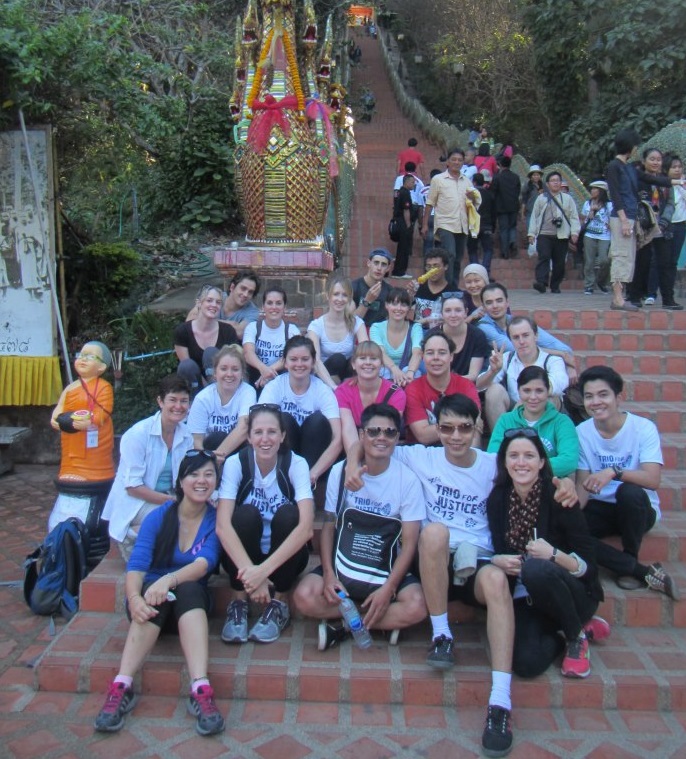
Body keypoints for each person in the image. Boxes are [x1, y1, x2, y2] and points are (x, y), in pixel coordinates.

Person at [94, 450, 224, 736]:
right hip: (152, 605)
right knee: (155, 595)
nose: (202, 481)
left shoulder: (216, 520)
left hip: (189, 608)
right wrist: (134, 598)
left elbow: (205, 563)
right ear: (180, 480)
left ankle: (200, 688)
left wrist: (168, 580)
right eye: (194, 474)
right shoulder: (158, 517)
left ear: (216, 480)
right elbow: (137, 566)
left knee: (188, 589)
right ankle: (121, 685)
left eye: (208, 474)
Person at [293, 403, 427, 649]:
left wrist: (389, 588)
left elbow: (409, 544)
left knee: (417, 605)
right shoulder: (340, 472)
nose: (381, 438)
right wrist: (329, 574)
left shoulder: (407, 480)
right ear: (362, 434)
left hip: (383, 566)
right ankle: (380, 622)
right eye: (374, 431)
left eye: (389, 433)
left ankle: (345, 626)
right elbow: (329, 524)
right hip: (343, 565)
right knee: (303, 597)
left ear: (398, 438)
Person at [487, 429, 606, 679]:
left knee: (536, 568)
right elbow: (499, 549)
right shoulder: (498, 499)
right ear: (504, 461)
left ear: (541, 462)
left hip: (573, 591)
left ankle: (576, 636)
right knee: (526, 664)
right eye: (514, 456)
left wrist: (554, 555)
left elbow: (590, 570)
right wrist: (497, 560)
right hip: (528, 599)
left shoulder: (560, 497)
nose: (521, 463)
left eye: (529, 456)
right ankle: (565, 628)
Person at [575, 366, 678, 599]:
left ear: (618, 397)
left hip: (637, 509)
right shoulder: (582, 432)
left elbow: (652, 479)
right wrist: (571, 515)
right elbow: (582, 483)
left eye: (603, 395)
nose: (596, 402)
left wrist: (613, 472)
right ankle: (636, 570)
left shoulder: (643, 428)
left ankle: (630, 557)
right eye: (589, 396)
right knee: (565, 529)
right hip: (600, 508)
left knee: (629, 492)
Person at [217, 404, 314, 643]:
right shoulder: (236, 463)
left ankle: (279, 604)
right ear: (249, 437)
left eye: (272, 432)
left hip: (283, 556)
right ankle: (238, 601)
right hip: (244, 555)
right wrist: (253, 576)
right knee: (245, 515)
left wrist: (262, 572)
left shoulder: (296, 464)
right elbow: (222, 526)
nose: (265, 439)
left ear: (282, 436)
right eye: (258, 432)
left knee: (290, 515)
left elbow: (306, 528)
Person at [103, 375, 194, 561]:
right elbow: (133, 487)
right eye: (173, 400)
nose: (179, 406)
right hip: (135, 500)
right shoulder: (137, 435)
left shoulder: (186, 436)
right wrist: (172, 501)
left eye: (184, 401)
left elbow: (186, 476)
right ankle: (132, 536)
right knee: (173, 516)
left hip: (167, 496)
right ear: (160, 401)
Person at [48, 341, 115, 558]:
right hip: (72, 451)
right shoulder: (71, 388)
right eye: (81, 354)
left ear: (102, 367)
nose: (83, 359)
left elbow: (101, 415)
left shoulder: (104, 388)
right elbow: (56, 415)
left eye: (90, 356)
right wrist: (64, 421)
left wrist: (82, 421)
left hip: (95, 453)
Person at [259, 335, 342, 485]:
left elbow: (337, 439)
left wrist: (312, 474)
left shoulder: (322, 391)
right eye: (293, 359)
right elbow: (260, 427)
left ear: (313, 362)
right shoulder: (274, 387)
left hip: (314, 454)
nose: (299, 364)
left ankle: (309, 487)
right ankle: (283, 479)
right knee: (281, 419)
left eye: (305, 359)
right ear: (285, 362)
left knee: (317, 421)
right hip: (285, 452)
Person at [488, 366, 579, 478]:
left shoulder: (562, 422)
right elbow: (493, 457)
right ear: (519, 392)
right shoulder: (506, 420)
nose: (533, 397)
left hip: (550, 486)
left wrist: (526, 468)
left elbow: (569, 461)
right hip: (512, 485)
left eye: (539, 391)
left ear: (548, 391)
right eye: (527, 390)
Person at [626, 147, 683, 310]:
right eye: (652, 159)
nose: (655, 162)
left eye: (658, 159)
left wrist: (664, 221)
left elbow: (671, 203)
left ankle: (668, 299)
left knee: (666, 263)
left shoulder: (666, 180)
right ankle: (635, 296)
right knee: (642, 262)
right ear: (644, 161)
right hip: (644, 228)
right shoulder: (638, 179)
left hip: (664, 228)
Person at [404, 329, 480, 445]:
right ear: (423, 357)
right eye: (430, 352)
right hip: (425, 454)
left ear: (451, 356)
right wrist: (460, 424)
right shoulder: (413, 389)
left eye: (442, 352)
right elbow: (423, 436)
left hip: (460, 450)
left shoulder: (465, 385)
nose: (436, 357)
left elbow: (476, 425)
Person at [477, 283, 576, 373]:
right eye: (489, 302)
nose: (495, 306)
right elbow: (515, 348)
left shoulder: (517, 322)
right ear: (484, 307)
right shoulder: (484, 327)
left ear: (507, 303)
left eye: (499, 301)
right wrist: (560, 354)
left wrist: (569, 365)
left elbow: (563, 349)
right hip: (495, 378)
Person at [421, 148, 481, 285]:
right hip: (445, 223)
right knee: (450, 254)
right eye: (453, 159)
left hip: (462, 224)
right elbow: (429, 203)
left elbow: (473, 204)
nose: (457, 162)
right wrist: (425, 225)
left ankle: (453, 286)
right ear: (448, 162)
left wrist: (472, 199)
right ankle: (446, 287)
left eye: (460, 160)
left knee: (458, 257)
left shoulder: (467, 181)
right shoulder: (438, 180)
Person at [187, 345, 256, 462]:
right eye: (223, 369)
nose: (229, 374)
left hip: (236, 451)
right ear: (215, 373)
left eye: (235, 369)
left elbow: (243, 429)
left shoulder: (248, 392)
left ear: (242, 373)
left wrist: (215, 459)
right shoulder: (203, 398)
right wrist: (208, 459)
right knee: (217, 436)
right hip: (208, 452)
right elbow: (196, 440)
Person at [335, 341, 407, 452]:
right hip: (353, 448)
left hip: (383, 448)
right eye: (362, 358)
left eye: (373, 359)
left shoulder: (396, 393)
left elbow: (388, 433)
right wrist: (355, 462)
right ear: (353, 364)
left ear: (381, 364)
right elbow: (348, 429)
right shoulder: (343, 391)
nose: (368, 362)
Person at [483, 316, 569, 408]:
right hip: (512, 412)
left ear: (536, 336)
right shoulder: (505, 358)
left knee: (550, 398)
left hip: (540, 410)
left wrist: (525, 401)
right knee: (494, 392)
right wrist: (492, 372)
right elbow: (480, 387)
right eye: (516, 337)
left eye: (525, 335)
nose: (521, 341)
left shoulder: (553, 360)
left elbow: (560, 383)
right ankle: (501, 423)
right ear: (510, 340)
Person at [174, 284, 238, 395]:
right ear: (199, 303)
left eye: (218, 302)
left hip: (222, 384)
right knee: (186, 365)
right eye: (209, 300)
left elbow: (234, 364)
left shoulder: (228, 331)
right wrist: (206, 393)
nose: (214, 305)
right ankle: (194, 404)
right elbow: (186, 367)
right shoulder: (182, 331)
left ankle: (217, 397)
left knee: (211, 352)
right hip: (195, 385)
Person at [306, 274, 368, 389]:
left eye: (344, 295)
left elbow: (366, 353)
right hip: (325, 377)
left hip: (348, 375)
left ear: (349, 298)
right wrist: (334, 387)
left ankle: (350, 390)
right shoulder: (316, 326)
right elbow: (316, 361)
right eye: (336, 294)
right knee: (338, 359)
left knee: (355, 359)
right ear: (327, 296)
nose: (340, 299)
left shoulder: (357, 323)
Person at [606, 128, 642, 311]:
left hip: (629, 216)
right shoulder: (613, 166)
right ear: (630, 146)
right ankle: (617, 298)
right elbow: (615, 195)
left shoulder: (628, 167)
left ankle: (620, 296)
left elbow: (649, 179)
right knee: (621, 256)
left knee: (628, 258)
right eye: (636, 145)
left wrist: (676, 182)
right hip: (622, 217)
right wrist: (624, 220)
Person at [528, 171, 580, 294]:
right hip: (544, 234)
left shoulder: (567, 199)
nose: (556, 182)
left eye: (558, 180)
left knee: (559, 262)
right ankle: (541, 282)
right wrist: (531, 233)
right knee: (544, 257)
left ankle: (555, 285)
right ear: (547, 184)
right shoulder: (541, 198)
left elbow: (574, 217)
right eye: (553, 180)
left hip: (561, 235)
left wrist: (575, 232)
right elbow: (534, 216)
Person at [242, 286, 300, 388]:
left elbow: (293, 356)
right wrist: (263, 369)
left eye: (278, 303)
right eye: (269, 303)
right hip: (256, 378)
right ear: (263, 307)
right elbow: (248, 353)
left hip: (281, 378)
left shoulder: (292, 330)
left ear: (284, 307)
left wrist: (268, 372)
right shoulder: (253, 327)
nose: (274, 307)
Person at [370, 288, 423, 387]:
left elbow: (417, 353)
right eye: (394, 304)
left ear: (408, 308)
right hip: (384, 370)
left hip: (407, 371)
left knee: (415, 373)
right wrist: (394, 369)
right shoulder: (376, 327)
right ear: (386, 305)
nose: (398, 308)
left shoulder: (415, 327)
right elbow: (380, 352)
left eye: (403, 305)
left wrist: (410, 373)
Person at [186, 270, 260, 340]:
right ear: (232, 287)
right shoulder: (215, 297)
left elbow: (241, 333)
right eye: (243, 288)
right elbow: (190, 320)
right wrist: (232, 325)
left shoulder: (253, 312)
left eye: (250, 292)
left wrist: (205, 319)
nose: (245, 294)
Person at [440, 293, 490, 383]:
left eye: (458, 310)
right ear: (441, 314)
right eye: (448, 310)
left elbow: (473, 375)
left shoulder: (477, 336)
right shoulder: (433, 336)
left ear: (466, 312)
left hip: (467, 387)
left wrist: (449, 381)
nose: (453, 315)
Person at [412, 251, 458, 331]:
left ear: (445, 266)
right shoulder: (418, 288)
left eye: (436, 266)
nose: (431, 270)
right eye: (428, 267)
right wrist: (409, 296)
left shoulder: (453, 292)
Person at [581, 181, 612, 295]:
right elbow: (584, 219)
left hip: (604, 235)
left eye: (595, 189)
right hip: (590, 234)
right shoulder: (587, 203)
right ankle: (589, 285)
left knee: (605, 260)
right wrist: (591, 212)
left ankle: (601, 281)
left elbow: (612, 220)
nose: (592, 191)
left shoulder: (609, 205)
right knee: (589, 261)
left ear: (601, 191)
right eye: (592, 188)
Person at [352, 249, 394, 328]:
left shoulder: (390, 291)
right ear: (369, 263)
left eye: (383, 264)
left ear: (388, 268)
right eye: (376, 263)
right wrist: (367, 301)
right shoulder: (354, 287)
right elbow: (350, 322)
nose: (379, 268)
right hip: (357, 334)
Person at [490, 156, 521, 260]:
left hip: (501, 207)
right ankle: (512, 241)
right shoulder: (516, 177)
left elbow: (493, 193)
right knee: (512, 226)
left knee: (504, 229)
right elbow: (518, 191)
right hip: (514, 206)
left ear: (500, 165)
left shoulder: (497, 177)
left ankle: (505, 252)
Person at [466, 173, 496, 275]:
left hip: (473, 225)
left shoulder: (470, 195)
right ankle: (485, 270)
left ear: (473, 182)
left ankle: (475, 271)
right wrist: (493, 226)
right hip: (486, 225)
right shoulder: (489, 194)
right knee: (488, 249)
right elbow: (493, 212)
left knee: (472, 249)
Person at [392, 174, 417, 278]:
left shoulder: (399, 192)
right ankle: (400, 272)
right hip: (403, 223)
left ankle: (397, 271)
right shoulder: (405, 193)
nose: (414, 184)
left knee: (401, 248)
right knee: (404, 248)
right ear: (406, 182)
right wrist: (408, 226)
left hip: (398, 221)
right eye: (412, 182)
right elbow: (406, 210)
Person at [520, 165, 543, 233]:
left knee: (540, 231)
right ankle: (531, 243)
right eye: (534, 175)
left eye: (537, 175)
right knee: (531, 231)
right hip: (530, 211)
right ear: (531, 176)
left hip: (541, 212)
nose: (536, 177)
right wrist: (522, 213)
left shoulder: (543, 185)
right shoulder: (527, 185)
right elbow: (524, 200)